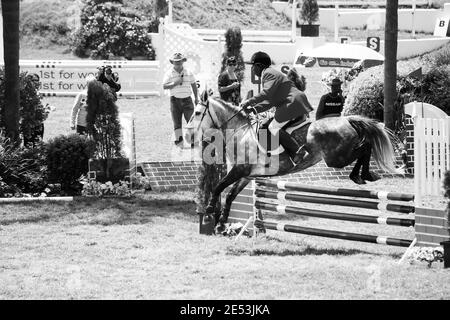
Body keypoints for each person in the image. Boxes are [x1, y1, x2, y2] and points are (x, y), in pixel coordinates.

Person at [239, 51, 313, 164]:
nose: (253, 70)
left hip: (292, 102)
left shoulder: (268, 73)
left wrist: (249, 102)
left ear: (259, 66)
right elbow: (270, 101)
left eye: (253, 66)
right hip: (291, 101)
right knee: (268, 126)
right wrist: (253, 109)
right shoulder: (269, 73)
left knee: (273, 127)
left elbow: (266, 93)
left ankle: (298, 151)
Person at [162, 52, 199, 146]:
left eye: (180, 61)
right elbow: (164, 86)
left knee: (191, 121)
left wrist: (196, 98)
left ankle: (193, 141)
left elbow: (194, 85)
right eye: (176, 61)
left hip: (187, 100)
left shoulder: (189, 72)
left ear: (183, 61)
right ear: (172, 62)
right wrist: (176, 83)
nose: (178, 63)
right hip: (175, 101)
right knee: (177, 122)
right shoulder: (169, 73)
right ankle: (179, 140)